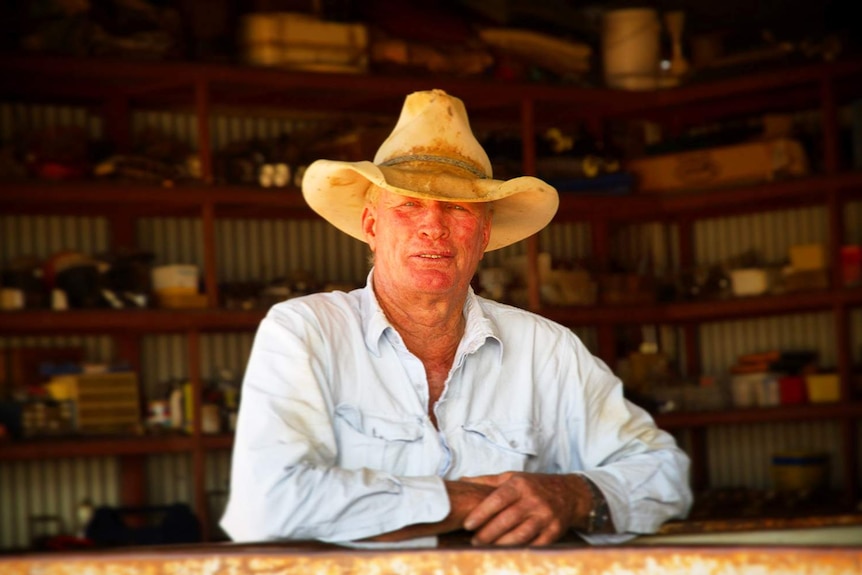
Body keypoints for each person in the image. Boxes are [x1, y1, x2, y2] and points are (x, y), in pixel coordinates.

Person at [220, 89, 692, 547]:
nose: (433, 226)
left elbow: (663, 473)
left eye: (457, 208)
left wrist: (575, 496)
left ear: (484, 233)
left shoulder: (546, 349)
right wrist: (462, 501)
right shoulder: (305, 332)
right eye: (407, 205)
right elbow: (268, 503)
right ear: (371, 226)